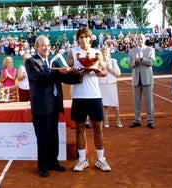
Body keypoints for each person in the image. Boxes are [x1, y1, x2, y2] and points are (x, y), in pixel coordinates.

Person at [25, 35, 74, 177]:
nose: (46, 48)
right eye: (43, 45)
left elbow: (64, 77)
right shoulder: (31, 62)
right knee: (43, 136)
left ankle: (53, 161)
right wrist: (59, 72)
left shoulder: (53, 62)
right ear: (37, 47)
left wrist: (77, 74)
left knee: (53, 135)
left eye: (48, 45)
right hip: (41, 106)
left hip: (54, 104)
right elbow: (40, 78)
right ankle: (43, 165)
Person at [67, 27, 111, 172]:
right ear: (78, 39)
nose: (84, 40)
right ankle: (82, 160)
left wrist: (98, 71)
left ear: (90, 38)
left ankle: (101, 159)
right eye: (81, 37)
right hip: (79, 96)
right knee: (79, 128)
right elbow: (69, 71)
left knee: (98, 128)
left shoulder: (97, 53)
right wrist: (73, 71)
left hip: (95, 95)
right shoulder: (73, 52)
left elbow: (104, 71)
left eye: (86, 37)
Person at [128, 33, 155, 129]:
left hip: (147, 79)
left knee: (149, 101)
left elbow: (151, 62)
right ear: (136, 40)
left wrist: (143, 59)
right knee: (136, 102)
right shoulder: (132, 51)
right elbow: (129, 65)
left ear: (144, 39)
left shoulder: (150, 50)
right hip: (136, 79)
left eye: (142, 39)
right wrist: (135, 61)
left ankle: (150, 120)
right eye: (138, 39)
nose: (140, 40)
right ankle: (137, 120)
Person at [99, 46, 122, 128]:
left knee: (115, 103)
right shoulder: (99, 62)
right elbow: (98, 74)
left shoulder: (113, 61)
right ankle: (106, 121)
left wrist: (109, 69)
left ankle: (118, 120)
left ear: (108, 53)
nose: (104, 54)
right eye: (103, 52)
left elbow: (118, 73)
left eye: (105, 52)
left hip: (112, 84)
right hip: (102, 85)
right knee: (104, 104)